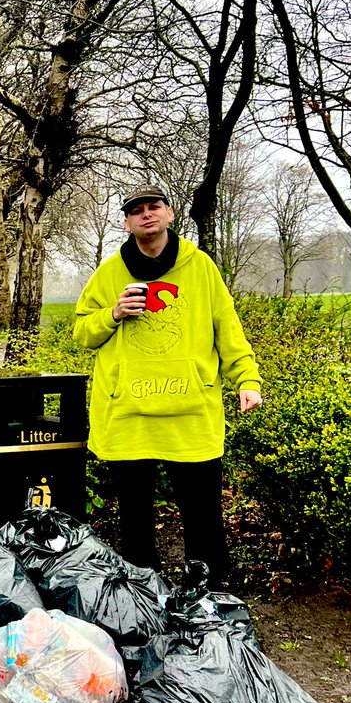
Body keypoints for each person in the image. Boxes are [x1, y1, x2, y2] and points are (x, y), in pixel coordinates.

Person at [72, 184, 263, 585]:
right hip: (129, 414)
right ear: (127, 223)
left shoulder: (201, 267)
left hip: (190, 414)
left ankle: (206, 591)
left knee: (202, 512)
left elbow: (227, 328)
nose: (146, 214)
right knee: (134, 516)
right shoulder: (108, 274)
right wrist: (113, 313)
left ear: (170, 213)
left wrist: (246, 379)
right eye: (136, 210)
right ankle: (142, 591)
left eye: (154, 206)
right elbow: (83, 334)